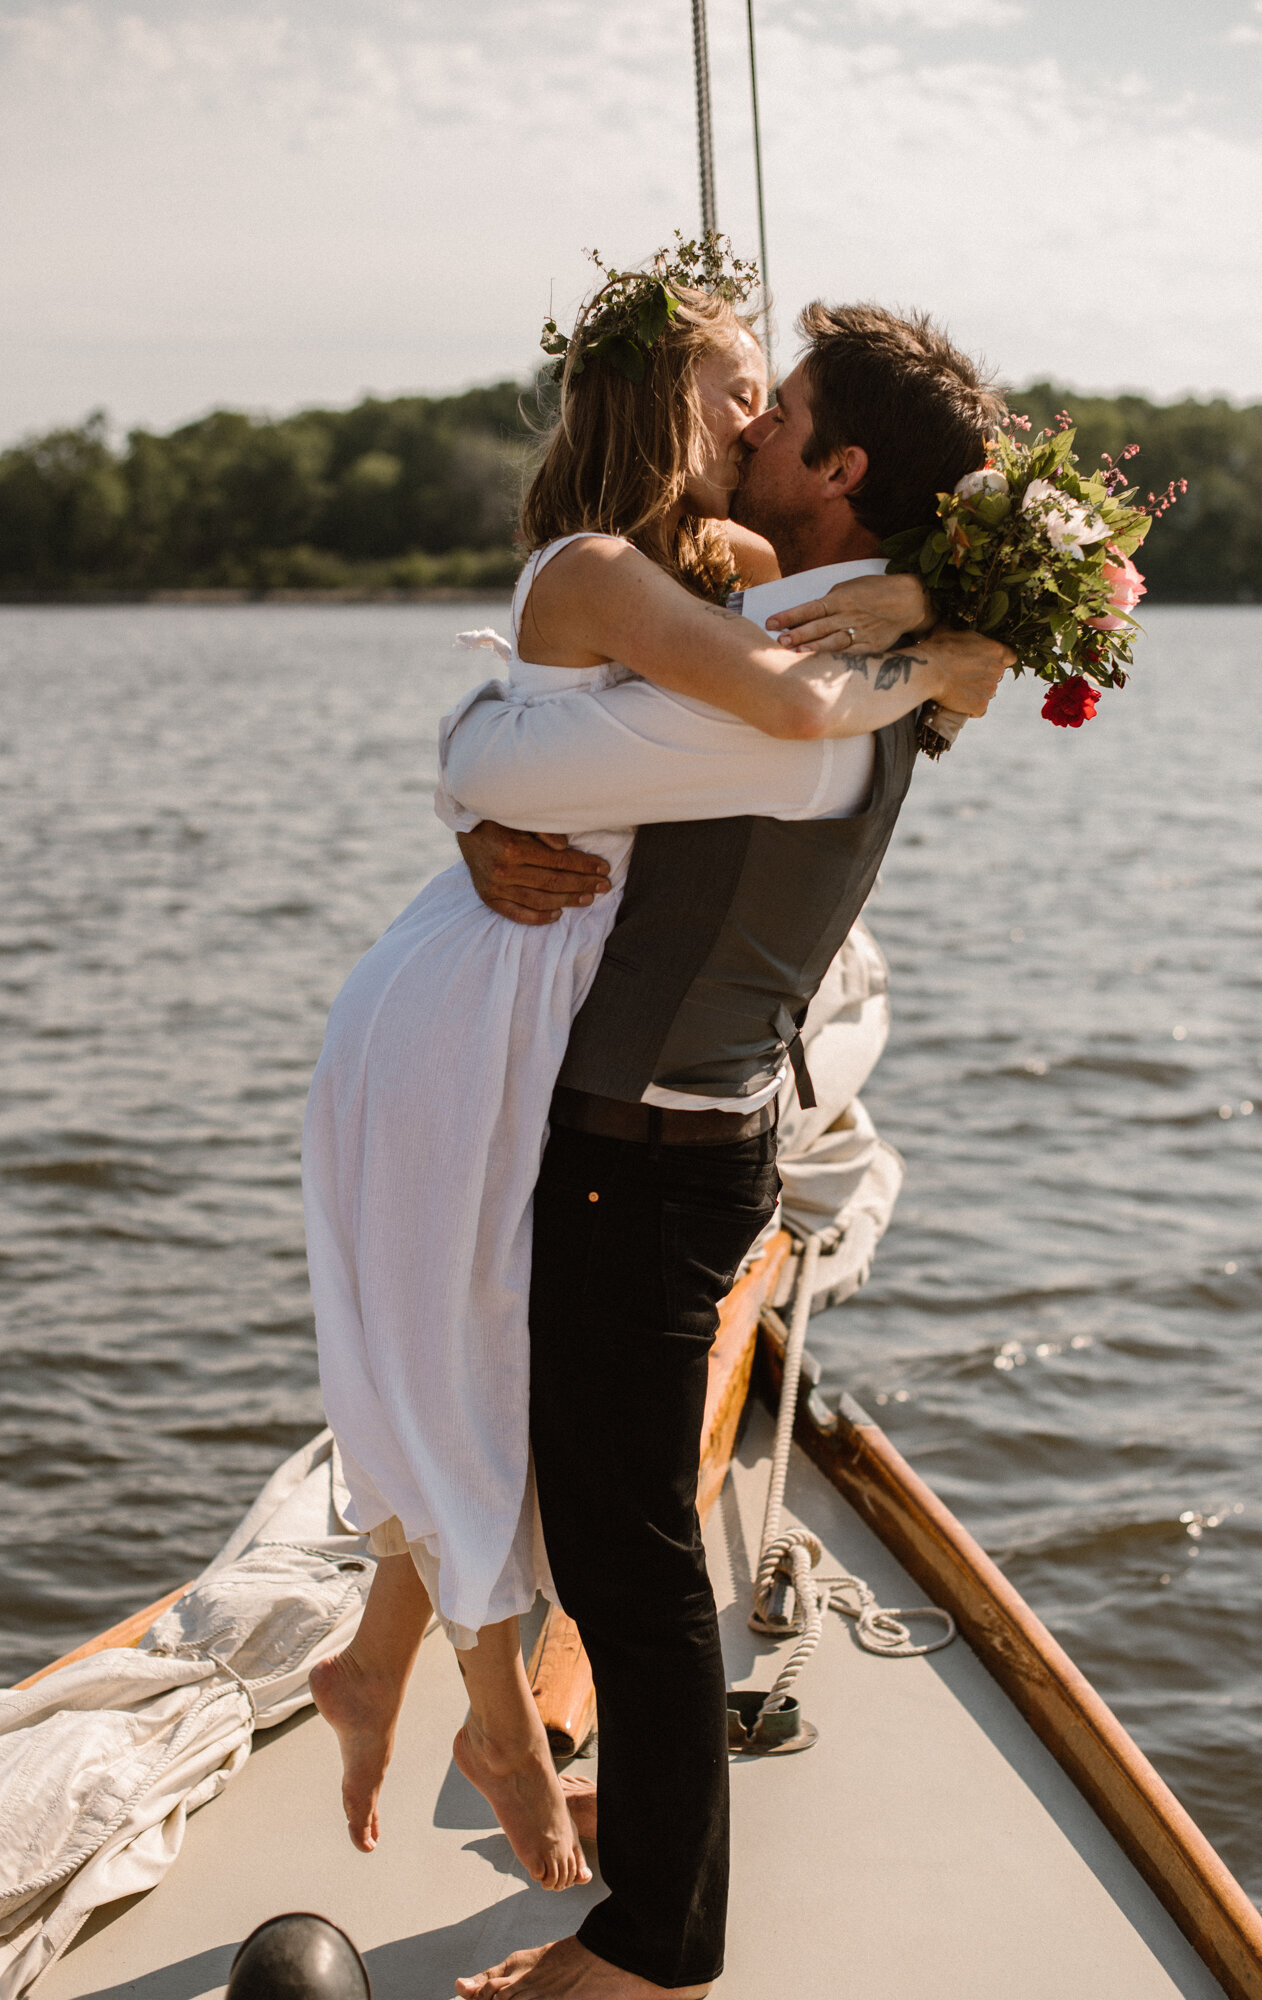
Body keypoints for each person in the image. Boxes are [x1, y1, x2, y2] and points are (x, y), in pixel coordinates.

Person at [301, 256, 1009, 1993]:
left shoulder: (837, 678)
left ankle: (650, 1953)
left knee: (625, 1558)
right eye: (738, 393)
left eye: (785, 414)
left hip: (652, 1142)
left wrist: (474, 774)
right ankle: (486, 1736)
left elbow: (528, 755)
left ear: (838, 473)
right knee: (573, 1485)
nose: (756, 423)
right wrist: (935, 620)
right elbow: (558, 744)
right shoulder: (833, 628)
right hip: (642, 1128)